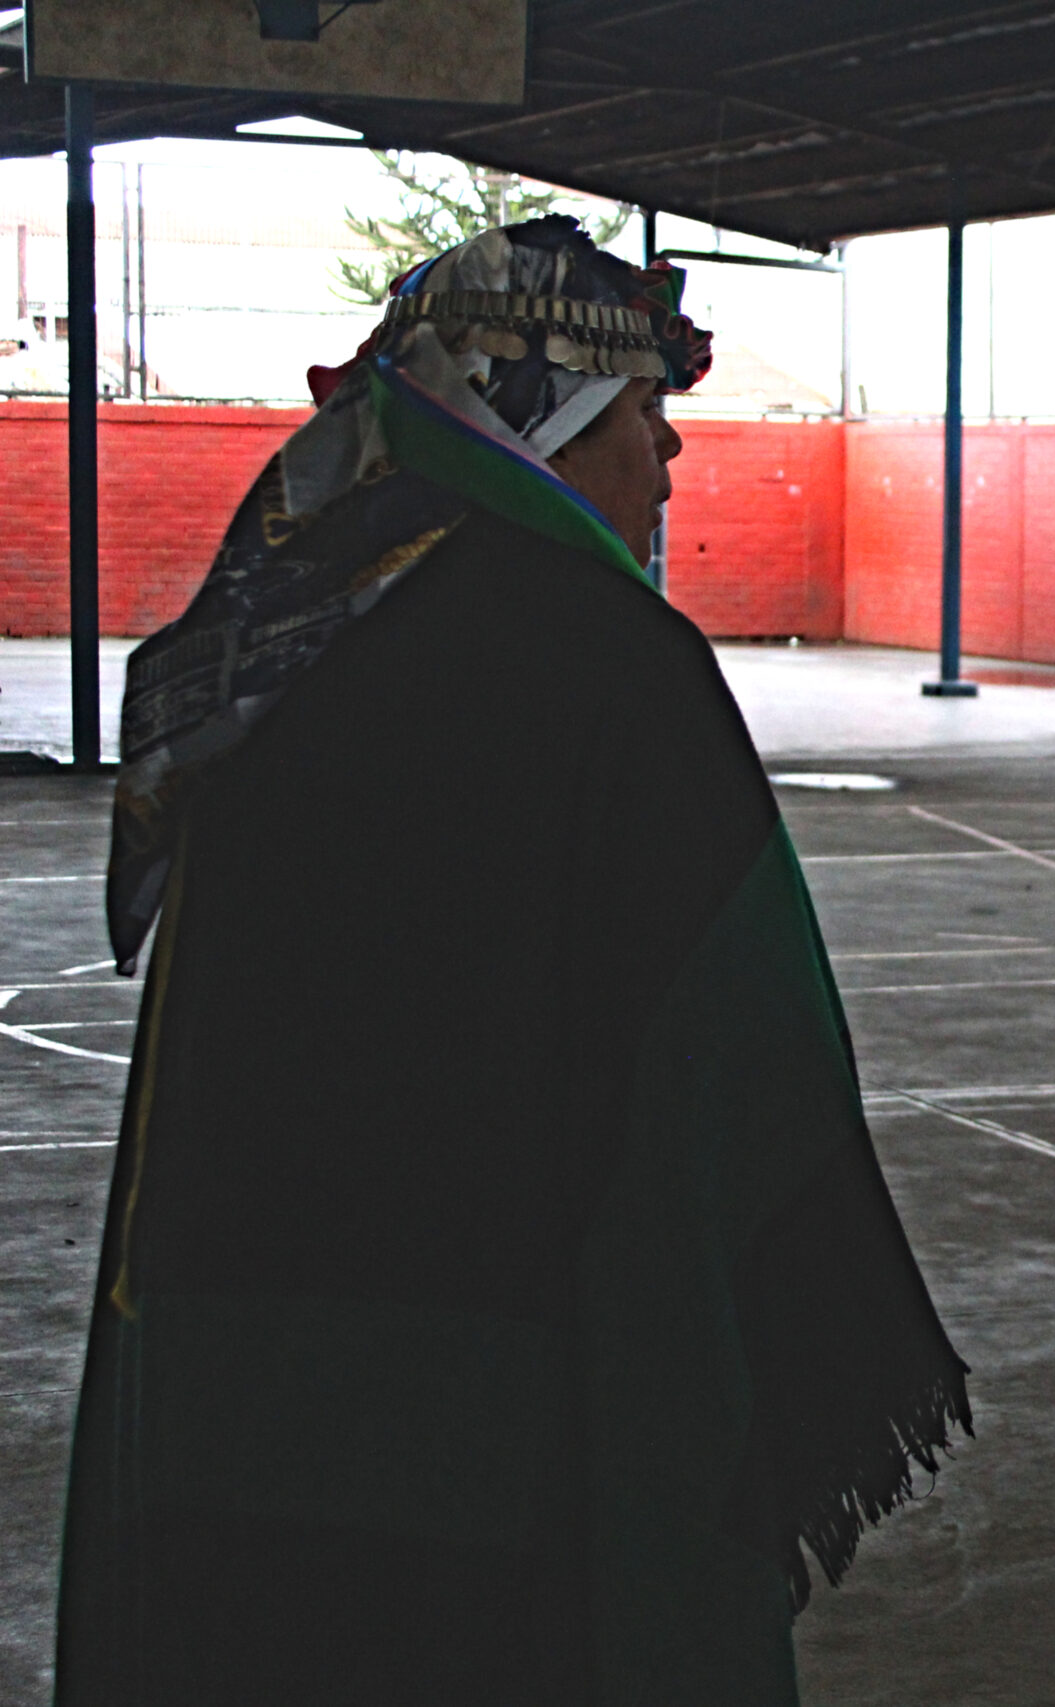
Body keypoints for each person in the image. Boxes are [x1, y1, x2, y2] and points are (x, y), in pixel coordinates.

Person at [57, 217, 970, 1705]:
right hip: (517, 1360)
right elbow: (734, 1037)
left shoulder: (279, 637)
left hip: (252, 1324)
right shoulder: (611, 661)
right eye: (644, 412)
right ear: (545, 417)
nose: (668, 454)